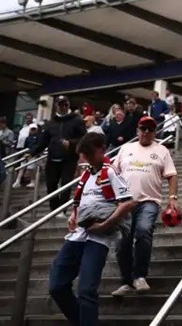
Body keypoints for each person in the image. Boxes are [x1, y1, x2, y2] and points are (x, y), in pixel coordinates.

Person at [48, 132, 134, 326]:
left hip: (98, 238)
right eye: (83, 153)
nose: (85, 156)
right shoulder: (86, 175)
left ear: (102, 149)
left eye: (89, 152)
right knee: (57, 285)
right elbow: (79, 202)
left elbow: (127, 203)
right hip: (77, 236)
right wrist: (73, 215)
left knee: (87, 290)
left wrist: (105, 224)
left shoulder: (110, 171)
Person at [111, 117, 179, 296]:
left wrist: (173, 198)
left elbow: (172, 175)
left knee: (143, 230)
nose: (146, 132)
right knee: (122, 243)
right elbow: (112, 172)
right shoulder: (126, 149)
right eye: (143, 128)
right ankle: (127, 281)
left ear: (155, 132)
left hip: (149, 201)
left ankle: (140, 275)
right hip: (124, 202)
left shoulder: (162, 150)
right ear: (137, 130)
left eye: (150, 129)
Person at [28, 96, 87, 215]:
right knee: (51, 185)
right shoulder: (51, 123)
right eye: (61, 104)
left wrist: (71, 143)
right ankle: (53, 209)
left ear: (69, 105)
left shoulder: (77, 120)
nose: (63, 107)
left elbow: (84, 138)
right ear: (56, 106)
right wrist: (31, 152)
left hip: (69, 158)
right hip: (52, 158)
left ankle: (62, 210)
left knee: (66, 185)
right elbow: (44, 141)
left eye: (66, 104)